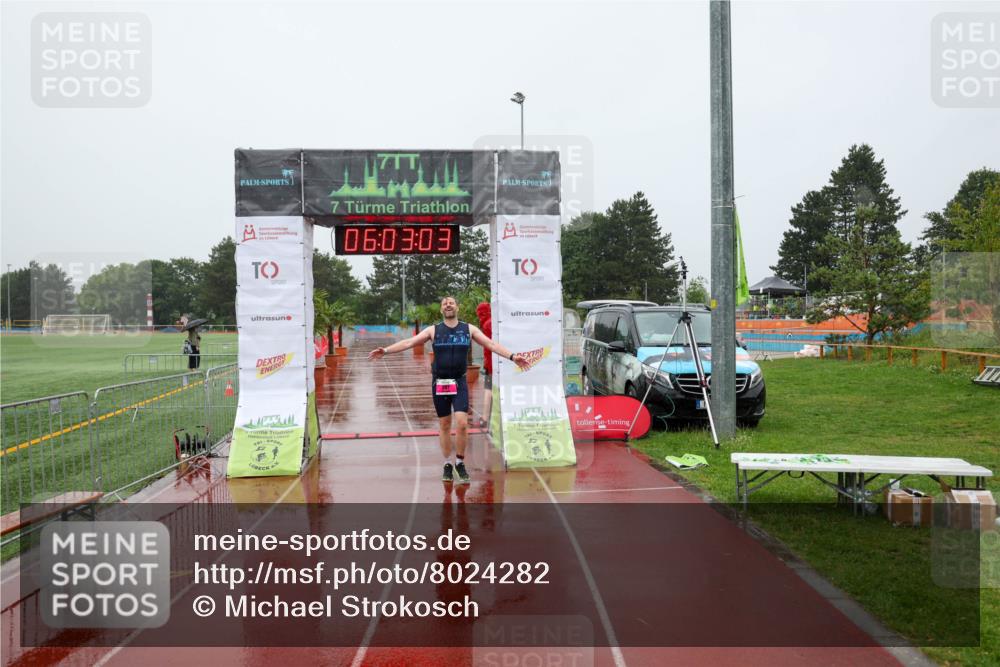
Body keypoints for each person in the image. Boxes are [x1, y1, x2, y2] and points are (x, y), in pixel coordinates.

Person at [368, 296, 529, 483]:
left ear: (457, 307)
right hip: (440, 383)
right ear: (441, 310)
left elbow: (490, 344)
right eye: (445, 304)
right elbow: (408, 343)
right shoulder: (433, 330)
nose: (448, 305)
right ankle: (447, 463)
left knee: (461, 423)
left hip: (459, 382)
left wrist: (513, 356)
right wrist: (386, 351)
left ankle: (460, 462)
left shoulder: (469, 329)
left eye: (451, 303)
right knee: (444, 424)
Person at [475, 302, 493, 429]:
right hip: (496, 360)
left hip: (490, 361)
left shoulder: (485, 324)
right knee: (490, 389)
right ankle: (486, 417)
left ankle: (485, 418)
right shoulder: (492, 322)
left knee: (488, 389)